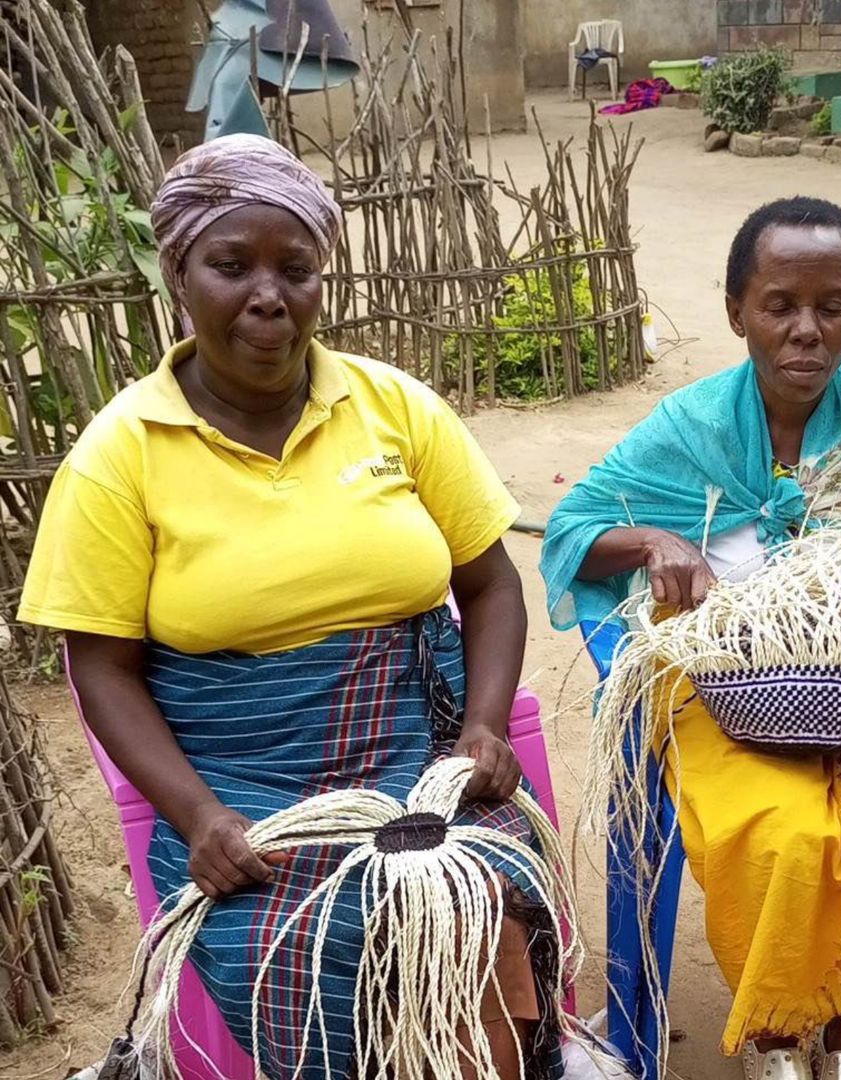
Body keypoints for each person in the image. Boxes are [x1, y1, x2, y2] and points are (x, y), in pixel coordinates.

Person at [19, 134, 562, 1080]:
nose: (269, 295)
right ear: (179, 275)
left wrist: (480, 728)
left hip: (418, 755)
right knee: (295, 949)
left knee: (480, 903)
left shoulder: (394, 406)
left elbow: (489, 582)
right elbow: (100, 666)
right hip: (244, 794)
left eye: (296, 268)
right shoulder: (121, 453)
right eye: (232, 266)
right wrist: (198, 820)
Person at [540, 197, 841, 1080]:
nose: (807, 333)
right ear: (737, 313)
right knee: (783, 835)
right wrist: (654, 540)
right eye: (779, 306)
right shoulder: (689, 428)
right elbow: (570, 531)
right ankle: (779, 1038)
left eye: (831, 306)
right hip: (727, 687)